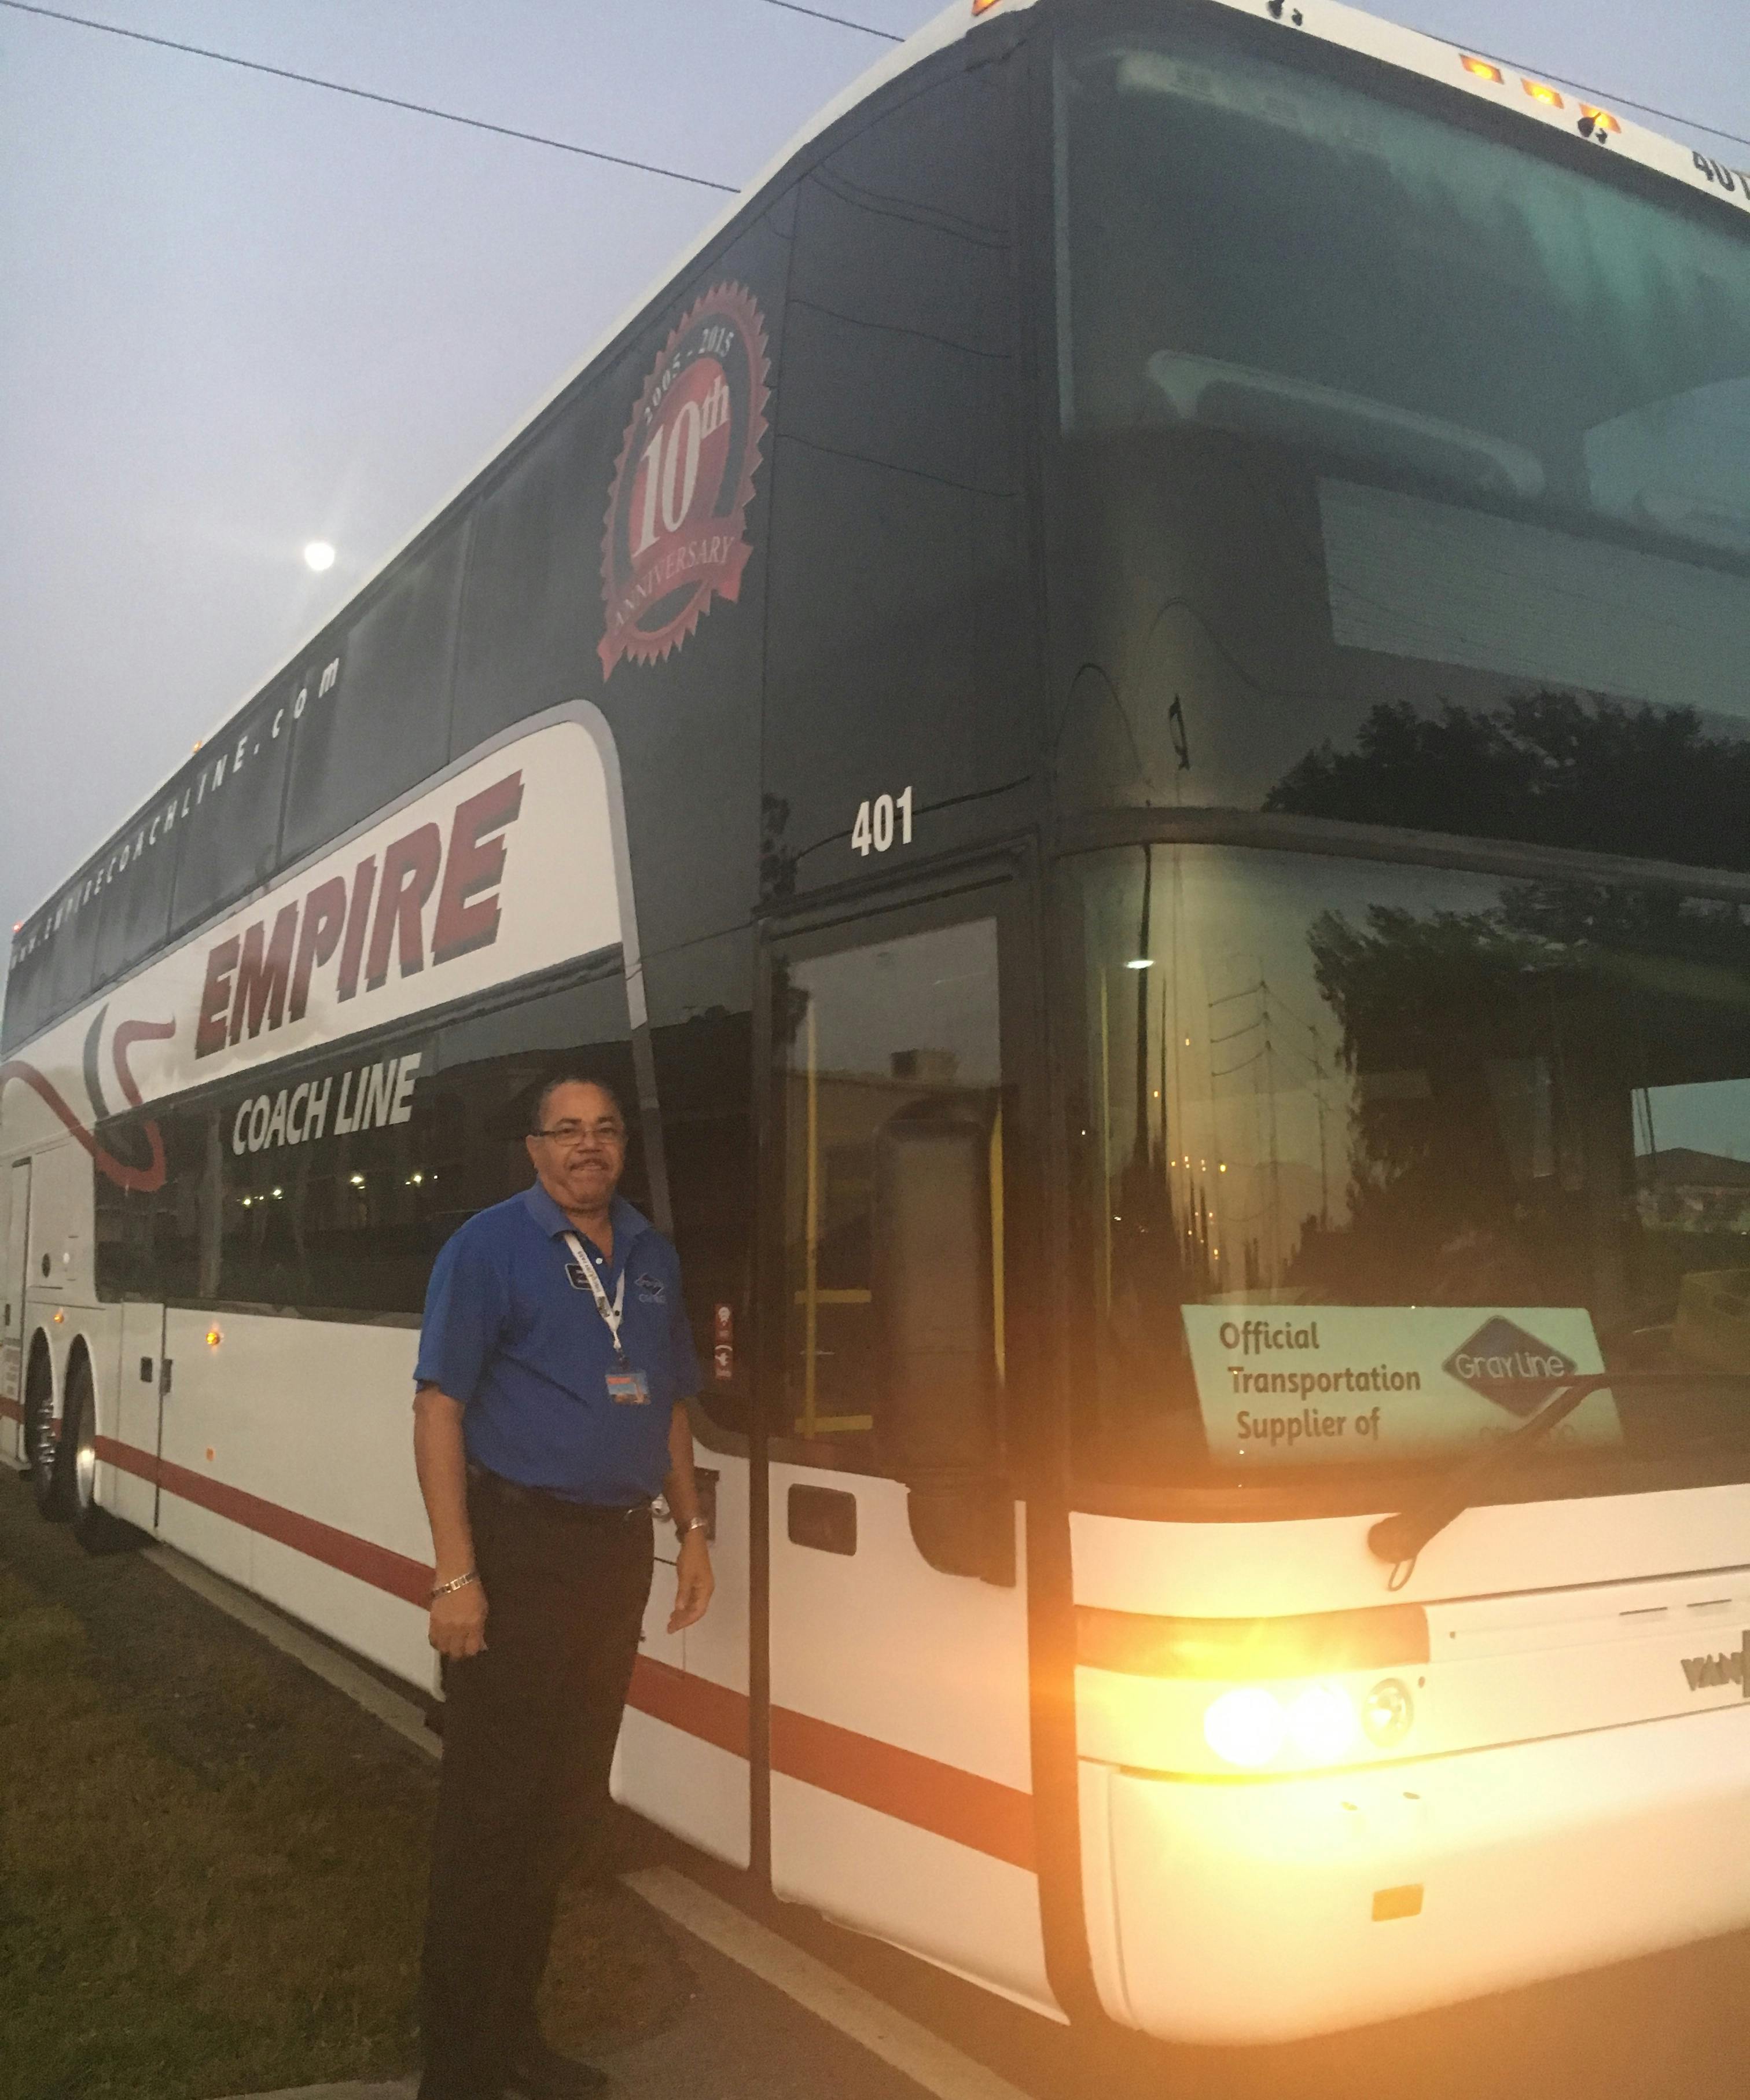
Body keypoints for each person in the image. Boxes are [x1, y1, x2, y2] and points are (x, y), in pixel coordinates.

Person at [411, 1073, 713, 2099]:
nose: (588, 1146)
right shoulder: (488, 1249)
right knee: (488, 1815)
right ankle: (454, 2069)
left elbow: (667, 1402)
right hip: (519, 1550)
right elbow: (440, 1409)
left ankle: (513, 2040)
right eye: (567, 1131)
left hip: (614, 1558)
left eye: (605, 1130)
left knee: (561, 1810)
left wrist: (693, 1528)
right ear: (535, 1149)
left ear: (622, 1146)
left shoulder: (654, 1257)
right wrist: (458, 1572)